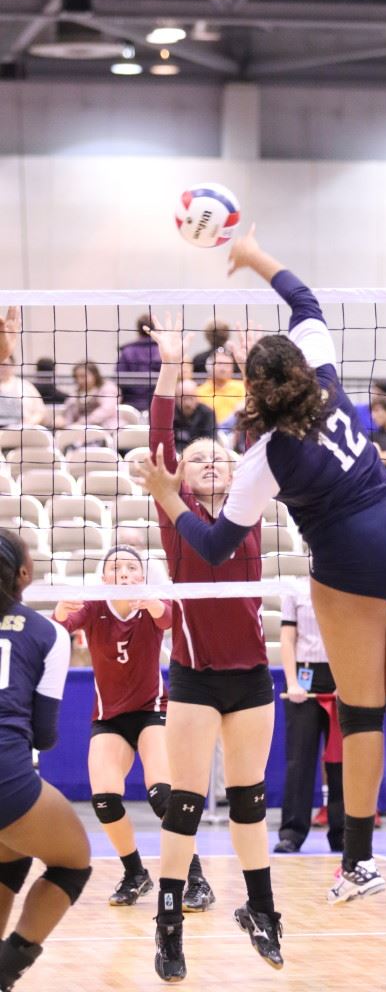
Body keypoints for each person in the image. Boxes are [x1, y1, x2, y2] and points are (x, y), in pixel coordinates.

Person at [140, 226, 386, 912]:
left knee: (360, 707)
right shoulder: (324, 376)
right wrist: (255, 256)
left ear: (256, 389)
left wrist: (169, 496)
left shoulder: (263, 456)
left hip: (355, 548)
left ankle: (356, 862)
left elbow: (212, 546)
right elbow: (304, 299)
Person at [143, 313, 282, 980]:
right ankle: (168, 927)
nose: (206, 462)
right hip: (195, 677)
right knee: (188, 804)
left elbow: (259, 432)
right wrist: (173, 364)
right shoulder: (178, 519)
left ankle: (262, 910)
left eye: (217, 457)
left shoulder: (248, 505)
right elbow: (161, 437)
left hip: (253, 677)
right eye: (196, 458)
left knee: (251, 801)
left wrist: (252, 357)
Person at [53, 545, 214, 911]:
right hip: (109, 716)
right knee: (105, 798)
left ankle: (197, 879)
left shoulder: (150, 604)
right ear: (103, 578)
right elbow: (63, 626)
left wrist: (152, 600)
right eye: (115, 568)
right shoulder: (94, 606)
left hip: (152, 710)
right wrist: (61, 612)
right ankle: (135, 874)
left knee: (162, 795)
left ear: (141, 576)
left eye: (130, 567)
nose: (123, 573)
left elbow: (168, 617)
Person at [0, 528, 92, 991]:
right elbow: (45, 735)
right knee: (74, 860)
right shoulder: (48, 633)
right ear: (24, 575)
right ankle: (6, 970)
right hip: (6, 778)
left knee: (11, 851)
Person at [275, 582, 344, 855]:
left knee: (341, 760)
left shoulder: (348, 578)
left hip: (341, 673)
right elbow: (287, 638)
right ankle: (292, 832)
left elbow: (355, 634)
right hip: (304, 677)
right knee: (299, 759)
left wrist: (349, 680)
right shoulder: (294, 588)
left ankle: (343, 833)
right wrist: (292, 683)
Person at [116, 313, 162, 412]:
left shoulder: (127, 351)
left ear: (137, 329)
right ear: (154, 329)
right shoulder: (161, 350)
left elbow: (118, 377)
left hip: (130, 404)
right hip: (157, 402)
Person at [55, 361, 119, 431]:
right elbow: (68, 415)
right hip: (80, 431)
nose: (80, 381)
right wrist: (62, 421)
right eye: (77, 377)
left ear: (95, 375)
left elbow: (106, 410)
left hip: (107, 428)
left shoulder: (108, 388)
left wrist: (82, 423)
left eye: (83, 376)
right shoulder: (76, 394)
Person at [195, 347, 246, 427]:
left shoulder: (243, 388)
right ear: (209, 366)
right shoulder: (198, 392)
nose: (223, 368)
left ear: (233, 368)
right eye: (219, 364)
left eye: (227, 365)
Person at [173, 378, 215, 453]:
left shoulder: (207, 414)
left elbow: (209, 442)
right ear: (176, 398)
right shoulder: (170, 415)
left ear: (197, 397)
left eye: (191, 398)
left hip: (200, 454)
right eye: (183, 398)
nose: (187, 403)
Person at [0, 357, 45, 428]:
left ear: (13, 366)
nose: (1, 368)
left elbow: (40, 411)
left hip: (20, 430)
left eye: (4, 364)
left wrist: (29, 423)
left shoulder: (25, 386)